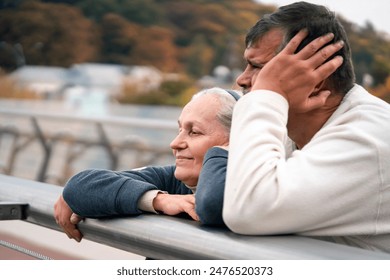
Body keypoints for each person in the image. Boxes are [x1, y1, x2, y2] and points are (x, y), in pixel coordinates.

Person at [223, 1, 390, 253]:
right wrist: (155, 199)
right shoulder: (294, 129)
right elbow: (198, 179)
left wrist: (267, 94)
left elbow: (249, 210)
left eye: (259, 68)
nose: (242, 79)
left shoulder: (371, 136)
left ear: (316, 79)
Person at [54, 87, 240, 242]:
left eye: (194, 132)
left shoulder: (250, 191)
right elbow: (81, 186)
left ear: (235, 141)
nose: (175, 143)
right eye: (180, 129)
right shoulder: (174, 181)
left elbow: (212, 203)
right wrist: (160, 200)